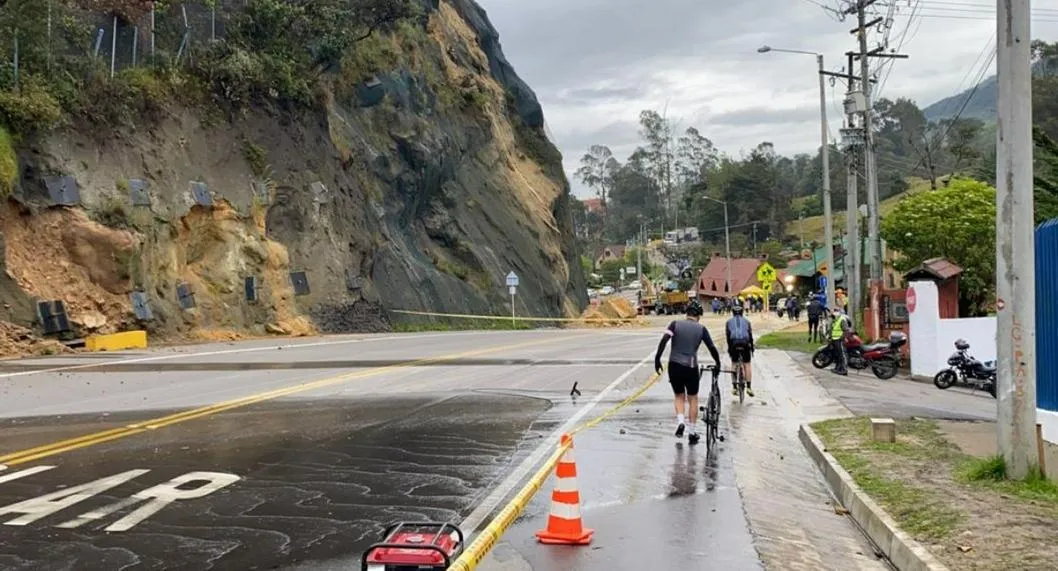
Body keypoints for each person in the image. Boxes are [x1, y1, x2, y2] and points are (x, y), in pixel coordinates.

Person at [655, 300, 721, 445]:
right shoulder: (701, 329)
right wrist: (718, 362)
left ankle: (680, 422)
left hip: (674, 365)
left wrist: (657, 359)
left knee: (679, 396)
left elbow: (664, 340)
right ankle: (692, 432)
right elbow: (711, 347)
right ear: (699, 315)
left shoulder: (674, 324)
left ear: (687, 313)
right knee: (693, 399)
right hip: (691, 367)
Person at [724, 304, 755, 397]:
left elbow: (728, 337)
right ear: (742, 313)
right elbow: (750, 336)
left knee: (734, 363)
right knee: (747, 364)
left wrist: (729, 349)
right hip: (745, 343)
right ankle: (749, 387)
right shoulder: (747, 321)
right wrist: (752, 348)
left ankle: (734, 387)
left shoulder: (728, 322)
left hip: (734, 343)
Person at [829, 307, 851, 376]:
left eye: (835, 311)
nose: (834, 313)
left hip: (839, 340)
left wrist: (842, 338)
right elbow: (832, 330)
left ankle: (844, 370)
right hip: (835, 340)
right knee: (837, 355)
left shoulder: (842, 319)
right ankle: (838, 368)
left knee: (843, 355)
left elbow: (846, 330)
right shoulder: (835, 320)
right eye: (834, 311)